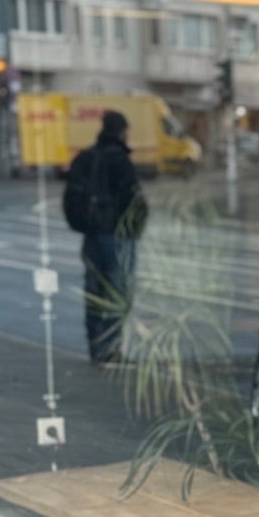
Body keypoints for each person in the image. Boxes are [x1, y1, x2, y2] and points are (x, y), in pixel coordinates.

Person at [63, 109, 147, 364]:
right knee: (116, 294)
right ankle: (111, 349)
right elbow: (133, 200)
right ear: (122, 132)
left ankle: (96, 348)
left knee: (95, 293)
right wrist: (135, 229)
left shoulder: (86, 158)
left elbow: (71, 195)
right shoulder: (120, 160)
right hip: (117, 238)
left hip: (92, 236)